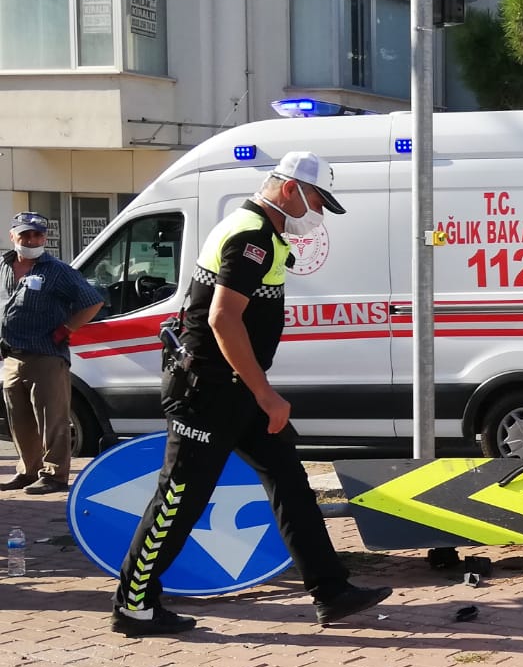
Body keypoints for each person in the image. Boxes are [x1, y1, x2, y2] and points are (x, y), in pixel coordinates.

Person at [111, 153, 391, 637]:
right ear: (290, 190)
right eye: (317, 201)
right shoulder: (251, 237)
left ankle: (331, 591)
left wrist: (257, 393)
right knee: (179, 497)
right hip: (210, 393)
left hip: (236, 391)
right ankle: (133, 606)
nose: (318, 214)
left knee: (289, 481)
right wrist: (266, 395)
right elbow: (223, 319)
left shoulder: (260, 233)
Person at [2, 211, 106, 494]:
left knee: (53, 420)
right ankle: (27, 471)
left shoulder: (57, 270)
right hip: (12, 356)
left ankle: (55, 476)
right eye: (25, 234)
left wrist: (67, 328)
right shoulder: (3, 266)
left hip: (46, 356)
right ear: (13, 235)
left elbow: (93, 301)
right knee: (20, 420)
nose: (32, 240)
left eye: (38, 235)